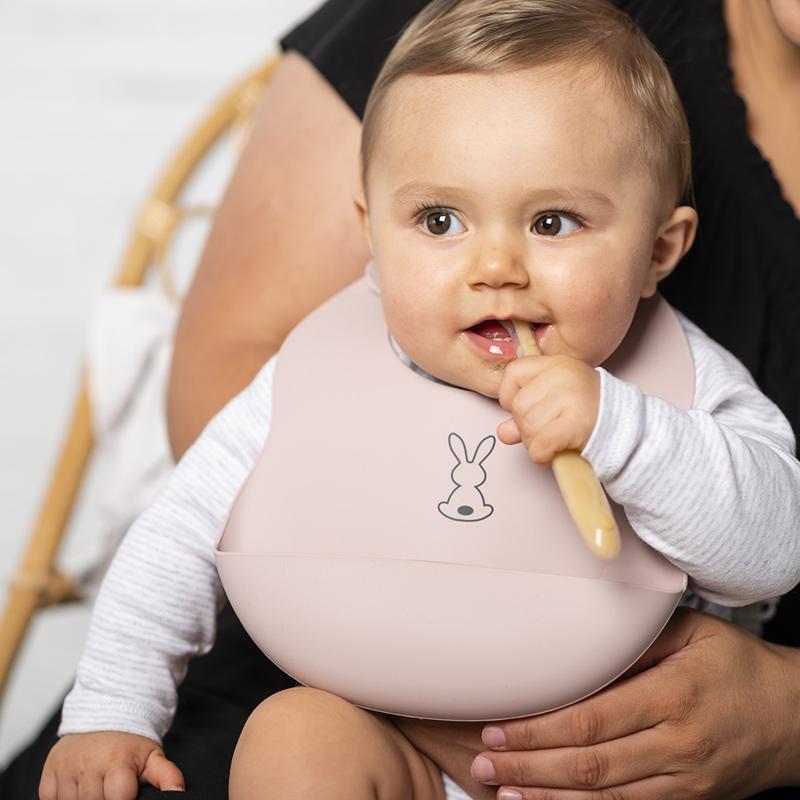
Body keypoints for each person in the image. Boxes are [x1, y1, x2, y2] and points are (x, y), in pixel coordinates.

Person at [2, 1, 799, 799]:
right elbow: (177, 536)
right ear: (374, 235)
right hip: (388, 734)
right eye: (439, 219)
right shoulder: (319, 373)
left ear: (660, 250)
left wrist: (621, 429)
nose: (495, 266)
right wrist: (112, 710)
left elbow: (769, 555)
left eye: (553, 222)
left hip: (612, 766)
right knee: (295, 740)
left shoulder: (677, 380)